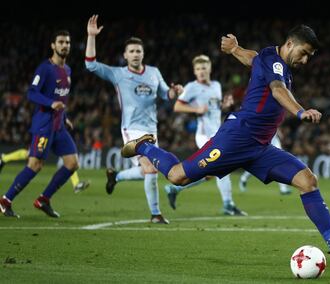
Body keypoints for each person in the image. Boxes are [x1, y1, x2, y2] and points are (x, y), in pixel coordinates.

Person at [121, 25, 330, 263]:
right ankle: (144, 146)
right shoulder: (276, 65)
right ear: (290, 43)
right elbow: (277, 90)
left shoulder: (269, 57)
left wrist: (234, 49)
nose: (305, 60)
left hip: (259, 148)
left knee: (307, 180)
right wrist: (300, 111)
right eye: (304, 53)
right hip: (236, 139)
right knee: (177, 177)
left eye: (310, 56)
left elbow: (252, 58)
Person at [84, 15, 183, 224]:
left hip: (151, 130)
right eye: (132, 51)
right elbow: (91, 65)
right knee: (151, 169)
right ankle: (155, 214)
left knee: (146, 170)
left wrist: (176, 91)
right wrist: (91, 37)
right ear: (125, 55)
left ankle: (116, 177)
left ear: (143, 54)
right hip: (132, 129)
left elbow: (167, 95)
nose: (135, 54)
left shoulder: (154, 73)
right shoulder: (118, 74)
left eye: (138, 51)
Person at [0, 30, 81, 218]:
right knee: (35, 165)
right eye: (61, 42)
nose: (65, 45)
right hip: (44, 125)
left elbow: (61, 97)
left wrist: (64, 115)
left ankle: (43, 199)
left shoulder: (67, 70)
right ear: (53, 45)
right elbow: (32, 93)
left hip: (59, 125)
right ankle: (5, 200)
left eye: (67, 42)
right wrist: (51, 104)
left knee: (72, 163)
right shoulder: (45, 68)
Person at [164, 55, 247, 216]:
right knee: (223, 166)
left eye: (204, 68)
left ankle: (174, 188)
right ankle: (228, 204)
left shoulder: (216, 85)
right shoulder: (191, 87)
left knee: (209, 173)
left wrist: (225, 105)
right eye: (198, 69)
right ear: (194, 72)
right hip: (203, 134)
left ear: (209, 69)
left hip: (217, 132)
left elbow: (215, 108)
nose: (201, 71)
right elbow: (178, 107)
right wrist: (196, 110)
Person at [0, 148, 90, 193]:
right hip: (44, 134)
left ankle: (76, 184)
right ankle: (5, 158)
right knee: (30, 154)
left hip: (54, 134)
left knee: (69, 158)